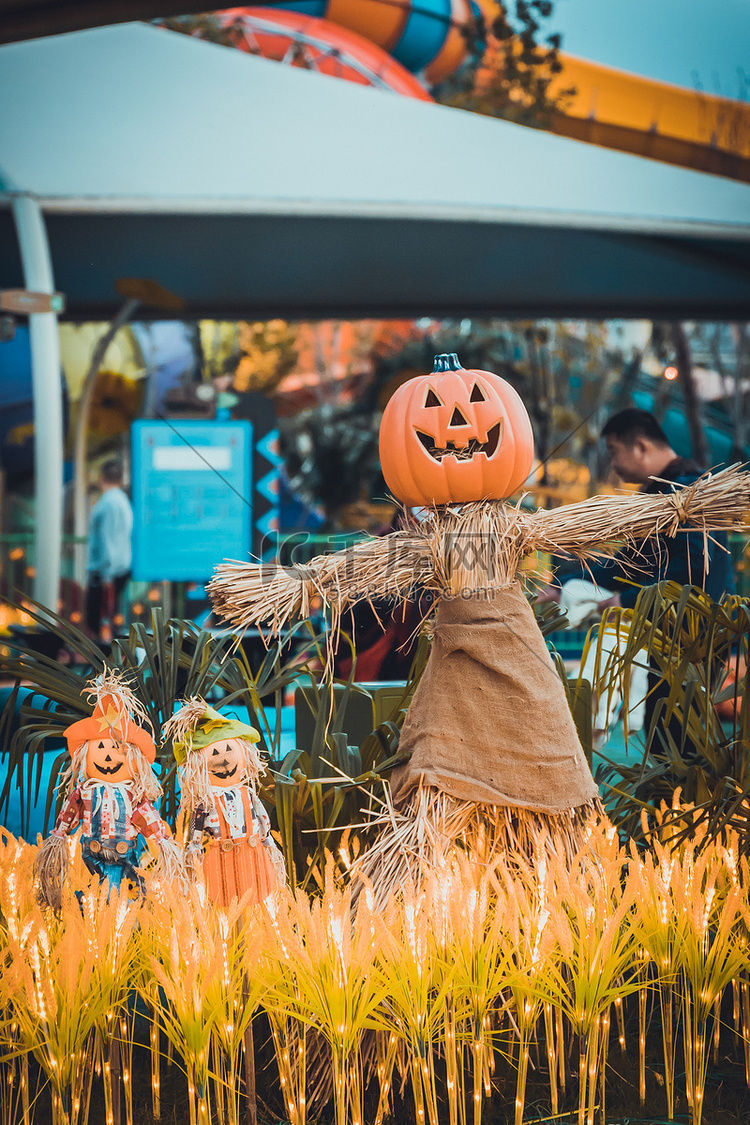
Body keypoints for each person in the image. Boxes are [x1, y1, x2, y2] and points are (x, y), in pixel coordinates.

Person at [85, 459, 133, 640]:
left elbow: (107, 540)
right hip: (119, 569)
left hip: (106, 573)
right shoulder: (123, 501)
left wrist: (105, 574)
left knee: (97, 623)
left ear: (101, 477)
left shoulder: (108, 504)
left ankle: (103, 665)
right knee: (113, 621)